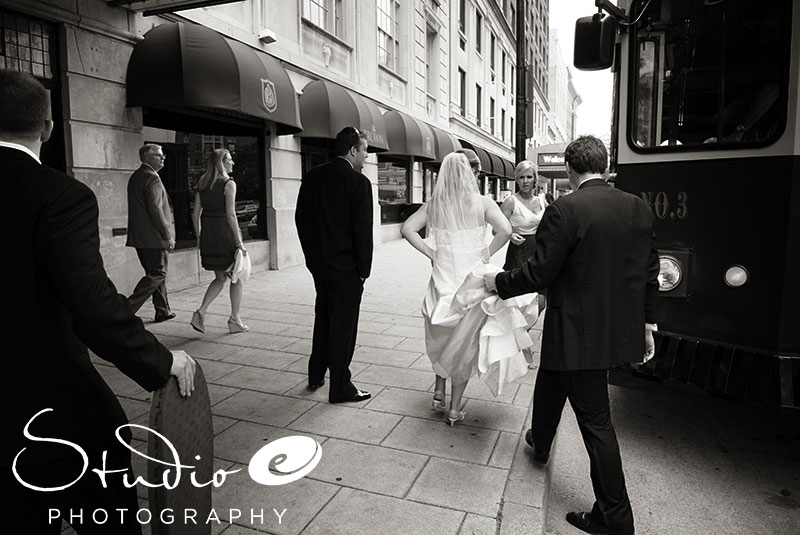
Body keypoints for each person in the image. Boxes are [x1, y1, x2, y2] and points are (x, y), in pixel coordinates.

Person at [1, 69, 197, 535]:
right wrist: (160, 359)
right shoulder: (59, 196)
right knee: (106, 503)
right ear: (47, 127)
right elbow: (90, 302)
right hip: (43, 396)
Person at [484, 135, 659, 535]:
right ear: (605, 164)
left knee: (597, 422)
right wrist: (648, 325)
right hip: (612, 328)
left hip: (580, 332)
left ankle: (615, 517)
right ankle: (541, 441)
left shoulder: (565, 209)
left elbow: (538, 273)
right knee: (551, 379)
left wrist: (498, 282)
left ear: (569, 169)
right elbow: (651, 274)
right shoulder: (638, 208)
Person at [402, 152, 538, 426]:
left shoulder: (435, 204)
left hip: (442, 281)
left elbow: (407, 229)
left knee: (441, 339)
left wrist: (432, 252)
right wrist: (485, 254)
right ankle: (453, 408)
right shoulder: (483, 203)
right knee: (464, 344)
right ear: (469, 174)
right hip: (471, 283)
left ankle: (439, 391)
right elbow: (503, 229)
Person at [295, 126, 373, 404]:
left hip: (321, 267)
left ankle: (316, 374)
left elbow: (301, 220)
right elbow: (362, 232)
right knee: (343, 328)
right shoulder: (358, 183)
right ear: (352, 150)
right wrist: (363, 271)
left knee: (324, 318)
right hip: (347, 270)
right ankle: (340, 387)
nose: (366, 156)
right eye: (364, 150)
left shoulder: (313, 177)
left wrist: (312, 259)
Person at [190, 148, 249, 334]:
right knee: (236, 277)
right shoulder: (228, 183)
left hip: (209, 234)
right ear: (221, 163)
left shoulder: (202, 183)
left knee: (220, 277)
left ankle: (201, 311)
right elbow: (231, 215)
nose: (233, 163)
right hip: (225, 234)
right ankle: (235, 319)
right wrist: (239, 242)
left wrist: (200, 237)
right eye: (229, 160)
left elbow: (195, 214)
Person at [126, 143, 176, 322]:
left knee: (155, 272)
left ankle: (162, 311)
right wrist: (167, 235)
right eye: (158, 155)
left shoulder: (136, 176)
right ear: (146, 157)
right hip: (154, 237)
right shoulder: (151, 177)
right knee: (158, 273)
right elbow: (156, 209)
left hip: (140, 237)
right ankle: (126, 308)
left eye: (162, 155)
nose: (163, 158)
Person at [501, 160, 546, 271]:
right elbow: (496, 230)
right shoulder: (511, 202)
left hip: (538, 252)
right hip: (518, 252)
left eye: (529, 177)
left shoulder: (542, 202)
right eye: (521, 177)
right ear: (516, 179)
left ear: (535, 179)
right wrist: (510, 235)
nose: (525, 181)